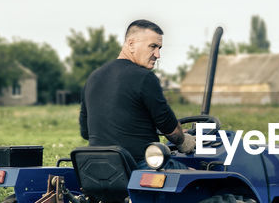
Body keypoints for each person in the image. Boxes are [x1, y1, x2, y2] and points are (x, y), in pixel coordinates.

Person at [78, 20, 197, 163]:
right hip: (139, 167)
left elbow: (86, 133)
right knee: (203, 179)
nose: (157, 55)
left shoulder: (93, 77)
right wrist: (184, 141)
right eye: (152, 46)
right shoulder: (144, 77)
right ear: (131, 44)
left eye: (159, 48)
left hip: (96, 168)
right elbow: (172, 132)